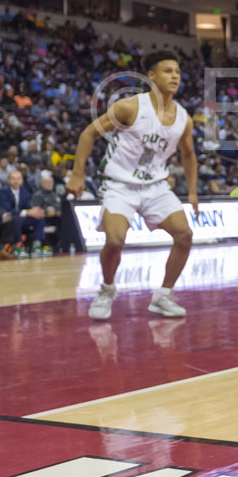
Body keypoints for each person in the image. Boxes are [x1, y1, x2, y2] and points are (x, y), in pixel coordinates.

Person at [68, 51, 198, 320]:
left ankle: (163, 296)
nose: (174, 76)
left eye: (177, 71)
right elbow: (88, 133)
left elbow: (188, 155)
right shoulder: (130, 107)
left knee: (184, 235)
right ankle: (106, 289)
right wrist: (77, 174)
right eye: (167, 71)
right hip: (119, 185)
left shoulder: (184, 118)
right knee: (115, 240)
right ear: (151, 76)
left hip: (156, 186)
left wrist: (193, 191)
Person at [0, 170, 45, 257]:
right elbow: (7, 210)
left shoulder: (24, 191)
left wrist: (34, 211)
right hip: (6, 219)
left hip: (21, 218)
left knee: (39, 217)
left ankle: (36, 245)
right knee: (16, 219)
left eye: (18, 179)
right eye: (13, 179)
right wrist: (27, 212)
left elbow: (28, 206)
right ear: (8, 180)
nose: (16, 181)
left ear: (22, 180)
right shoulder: (2, 192)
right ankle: (18, 246)